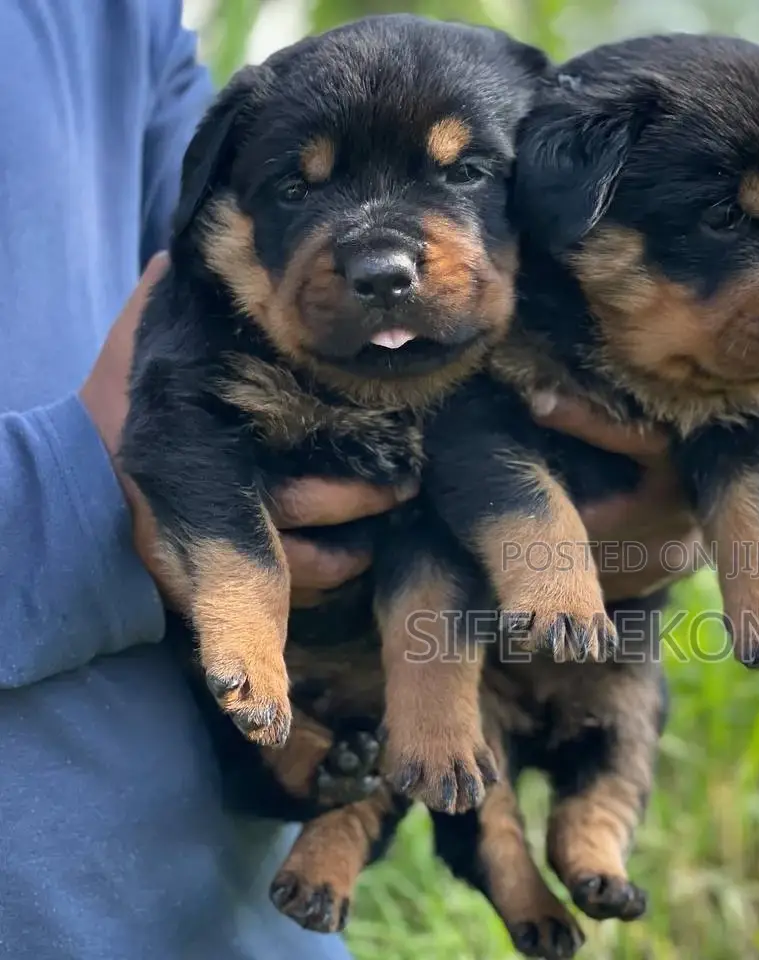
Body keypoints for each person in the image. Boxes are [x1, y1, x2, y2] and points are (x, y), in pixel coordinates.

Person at [0, 3, 699, 957]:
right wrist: (79, 494)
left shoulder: (121, 19)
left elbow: (193, 226)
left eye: (468, 173)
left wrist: (660, 491)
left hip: (228, 910)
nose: (381, 254)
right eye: (303, 189)